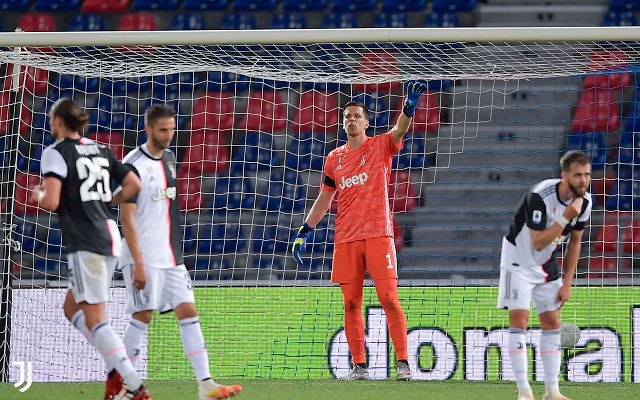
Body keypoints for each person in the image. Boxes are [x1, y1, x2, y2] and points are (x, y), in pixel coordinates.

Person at [291, 81, 428, 381]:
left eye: (356, 116)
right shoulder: (333, 159)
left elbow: (400, 131)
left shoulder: (380, 146)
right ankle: (359, 365)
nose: (351, 120)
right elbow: (325, 198)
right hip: (346, 239)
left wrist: (409, 105)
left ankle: (403, 362)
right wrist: (305, 230)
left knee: (389, 298)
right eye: (346, 117)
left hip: (379, 234)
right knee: (351, 303)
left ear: (366, 122)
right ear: (343, 124)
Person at [115, 105, 242, 400]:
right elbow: (127, 218)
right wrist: (139, 264)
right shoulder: (133, 165)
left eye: (172, 129)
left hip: (171, 257)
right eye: (163, 130)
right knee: (142, 316)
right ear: (148, 129)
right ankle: (124, 386)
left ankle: (206, 385)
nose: (169, 135)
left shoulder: (171, 158)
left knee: (189, 312)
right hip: (143, 256)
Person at [33, 98, 151, 400]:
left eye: (51, 118)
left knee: (97, 319)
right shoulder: (100, 148)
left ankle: (134, 386)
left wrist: (39, 194)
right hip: (109, 234)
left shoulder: (55, 152)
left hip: (86, 241)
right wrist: (107, 201)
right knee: (71, 308)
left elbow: (52, 202)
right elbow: (134, 184)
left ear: (59, 122)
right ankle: (116, 368)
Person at [498, 150, 592, 400]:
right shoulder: (540, 196)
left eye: (587, 175)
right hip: (517, 260)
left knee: (552, 324)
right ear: (565, 176)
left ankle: (552, 391)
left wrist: (568, 282)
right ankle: (524, 392)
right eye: (578, 175)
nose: (583, 180)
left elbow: (575, 242)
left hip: (546, 265)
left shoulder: (585, 203)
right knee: (519, 321)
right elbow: (538, 241)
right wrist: (566, 216)